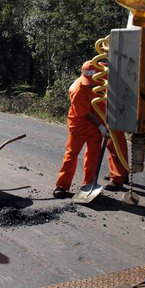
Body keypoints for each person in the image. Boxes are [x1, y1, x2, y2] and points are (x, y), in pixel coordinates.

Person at [53, 61, 108, 199]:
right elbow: (86, 113)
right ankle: (62, 185)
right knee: (71, 154)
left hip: (98, 125)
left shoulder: (103, 76)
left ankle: (89, 184)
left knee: (93, 156)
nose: (90, 84)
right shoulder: (77, 89)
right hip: (80, 125)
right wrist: (100, 127)